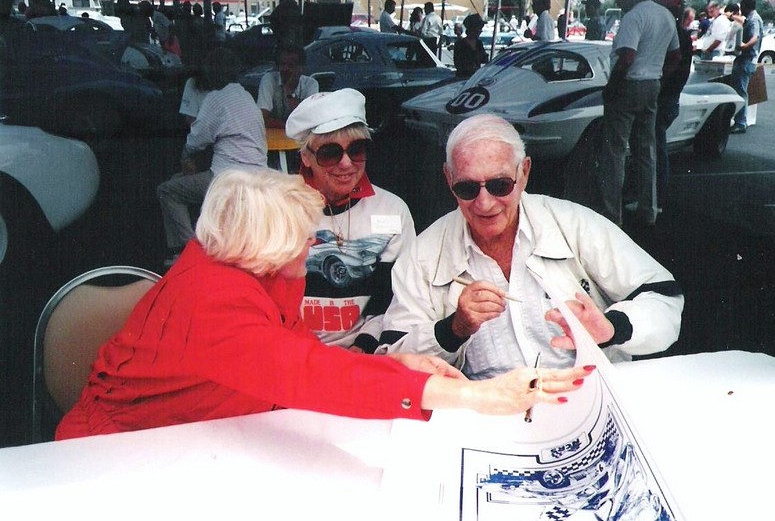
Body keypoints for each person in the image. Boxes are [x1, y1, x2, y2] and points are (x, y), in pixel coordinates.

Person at [56, 168, 593, 439]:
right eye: (299, 235)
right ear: (260, 248)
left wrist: (391, 361)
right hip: (128, 446)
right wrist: (476, 396)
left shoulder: (249, 263)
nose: (312, 245)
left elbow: (292, 346)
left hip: (215, 425)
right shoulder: (211, 299)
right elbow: (306, 372)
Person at [379, 114, 683, 378]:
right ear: (449, 179)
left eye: (500, 185)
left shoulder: (575, 224)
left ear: (524, 172)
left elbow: (665, 299)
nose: (484, 203)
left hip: (588, 391)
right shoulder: (422, 255)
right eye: (467, 188)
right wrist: (453, 329)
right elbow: (391, 357)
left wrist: (612, 327)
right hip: (487, 406)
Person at [281, 89, 415, 352]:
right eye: (330, 153)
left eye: (357, 150)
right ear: (306, 157)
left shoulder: (392, 209)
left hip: (366, 352)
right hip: (291, 351)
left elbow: (394, 297)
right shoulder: (279, 208)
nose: (346, 164)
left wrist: (362, 347)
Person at [157, 48, 267, 265]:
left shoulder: (216, 98)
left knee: (167, 191)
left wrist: (185, 156)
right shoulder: (245, 96)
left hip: (226, 178)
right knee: (179, 183)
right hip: (257, 175)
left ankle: (187, 250)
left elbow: (196, 139)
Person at [595, 0, 679, 227]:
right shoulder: (665, 15)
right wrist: (659, 76)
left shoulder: (633, 16)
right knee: (646, 149)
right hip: (652, 84)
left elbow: (627, 57)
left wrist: (611, 87)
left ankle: (612, 215)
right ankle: (648, 208)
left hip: (628, 85)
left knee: (614, 151)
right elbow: (676, 57)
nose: (618, 0)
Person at [649, 0, 692, 213]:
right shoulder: (682, 33)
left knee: (655, 149)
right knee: (655, 147)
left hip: (662, 97)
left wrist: (657, 87)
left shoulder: (670, 32)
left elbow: (673, 67)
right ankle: (655, 197)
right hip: (670, 97)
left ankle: (656, 199)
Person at [256, 45, 319, 130]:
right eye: (283, 64)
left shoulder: (310, 84)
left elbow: (308, 120)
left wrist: (289, 92)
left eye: (291, 65)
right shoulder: (269, 79)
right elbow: (262, 118)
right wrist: (292, 126)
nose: (285, 68)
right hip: (273, 135)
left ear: (301, 69)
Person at [729, 0, 763, 134]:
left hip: (747, 59)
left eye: (741, 7)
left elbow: (755, 37)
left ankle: (741, 122)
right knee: (740, 89)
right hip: (746, 59)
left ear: (745, 6)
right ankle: (740, 120)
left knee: (741, 91)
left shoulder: (754, 19)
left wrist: (744, 46)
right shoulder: (753, 18)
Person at [453, 13, 488, 78]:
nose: (481, 31)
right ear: (472, 29)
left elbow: (484, 60)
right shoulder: (460, 44)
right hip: (463, 78)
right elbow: (459, 64)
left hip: (476, 77)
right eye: (479, 28)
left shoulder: (479, 43)